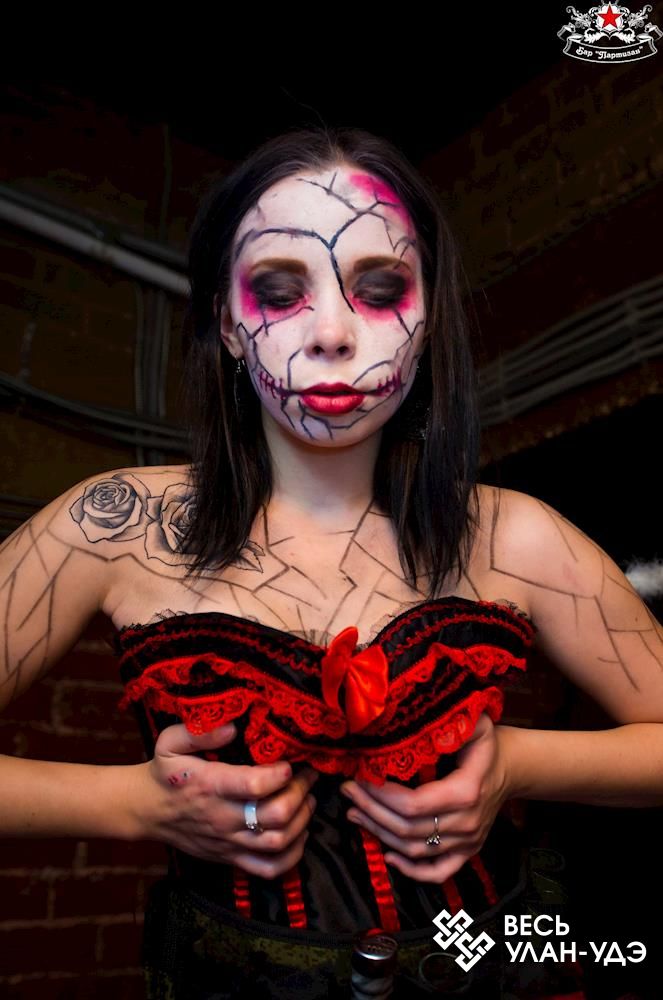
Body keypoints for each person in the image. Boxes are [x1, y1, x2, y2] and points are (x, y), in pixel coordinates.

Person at [1, 125, 662, 1000]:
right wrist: (130, 804)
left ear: (428, 320)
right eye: (278, 291)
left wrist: (516, 764)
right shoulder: (112, 524)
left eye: (380, 289)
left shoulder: (517, 535)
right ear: (228, 325)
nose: (331, 333)